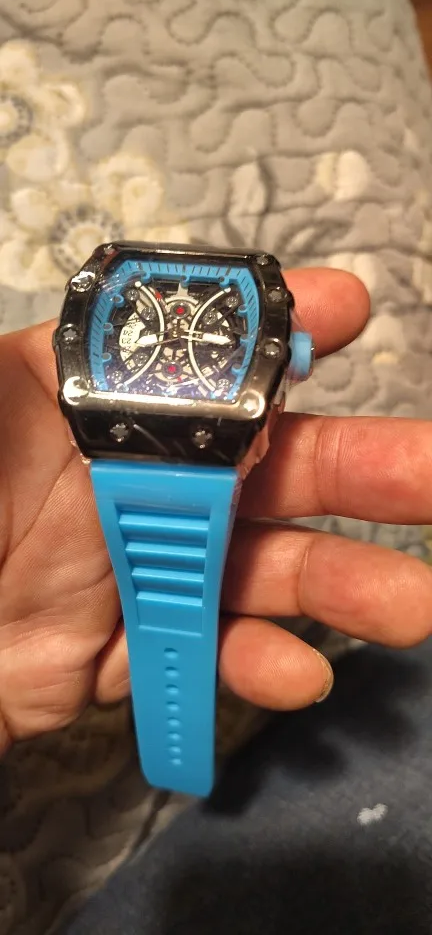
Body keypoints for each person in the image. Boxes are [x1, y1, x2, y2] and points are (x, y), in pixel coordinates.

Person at [2, 265, 432, 755]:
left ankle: (175, 753)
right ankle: (173, 750)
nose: (173, 342)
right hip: (122, 451)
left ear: (287, 359)